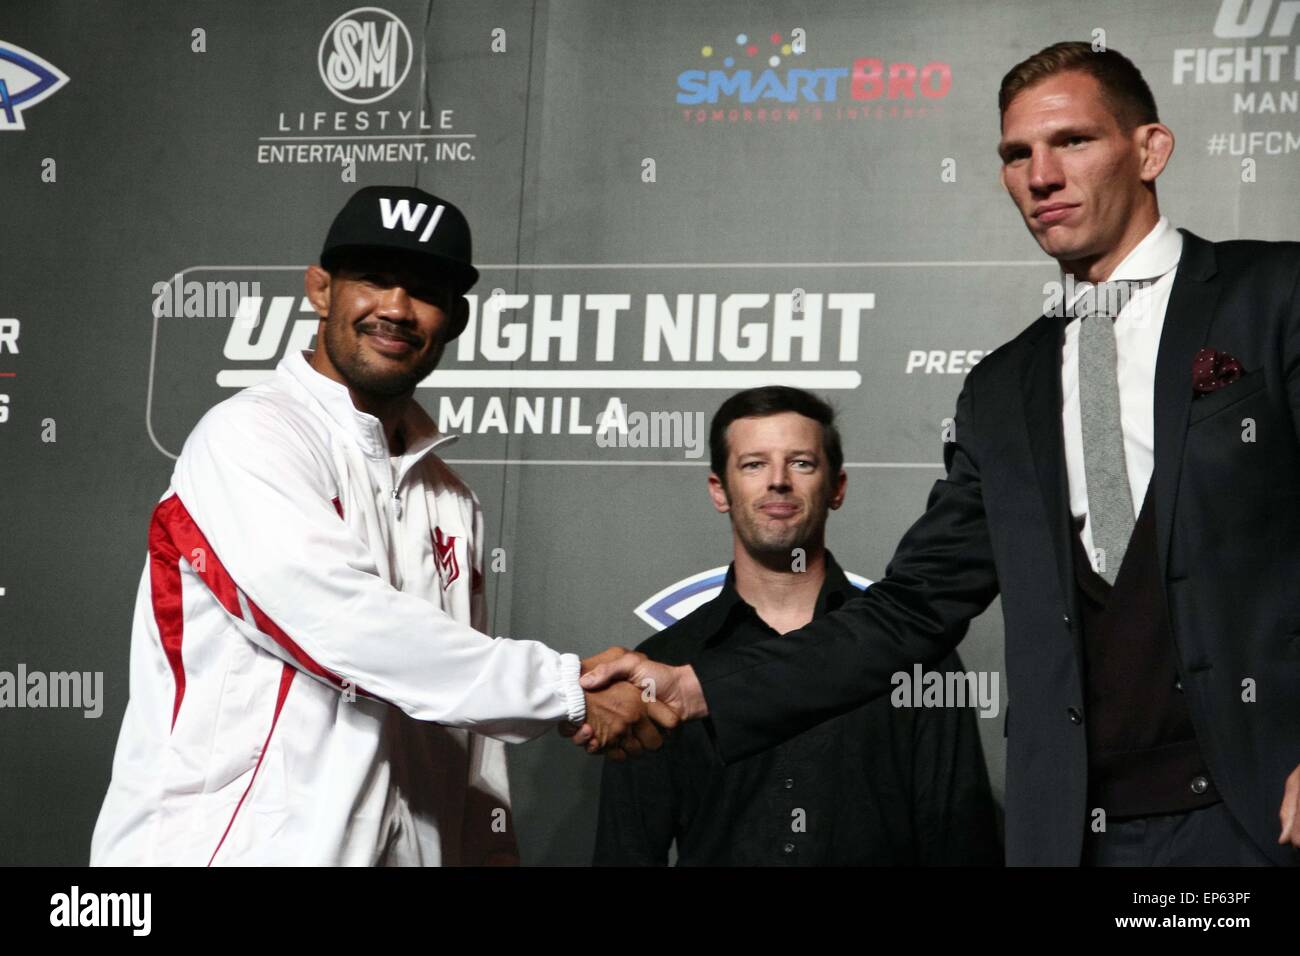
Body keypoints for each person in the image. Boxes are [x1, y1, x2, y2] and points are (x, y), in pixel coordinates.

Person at [578, 42, 1300, 866]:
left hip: (1261, 811)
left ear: (1150, 149)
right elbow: (908, 609)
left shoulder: (1272, 297)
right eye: (1016, 154)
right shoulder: (1003, 390)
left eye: (1073, 141)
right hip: (1077, 835)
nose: (1041, 175)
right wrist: (694, 685)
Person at [91, 185, 674, 866]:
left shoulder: (449, 498)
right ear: (320, 290)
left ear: (453, 320)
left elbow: (460, 725)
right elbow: (343, 631)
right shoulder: (249, 436)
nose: (396, 308)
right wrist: (566, 689)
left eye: (425, 290)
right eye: (373, 279)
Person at [591, 387, 1001, 865]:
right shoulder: (663, 666)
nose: (778, 482)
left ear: (838, 487)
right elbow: (626, 854)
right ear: (719, 490)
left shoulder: (916, 655)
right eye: (754, 464)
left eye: (802, 463)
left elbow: (961, 845)